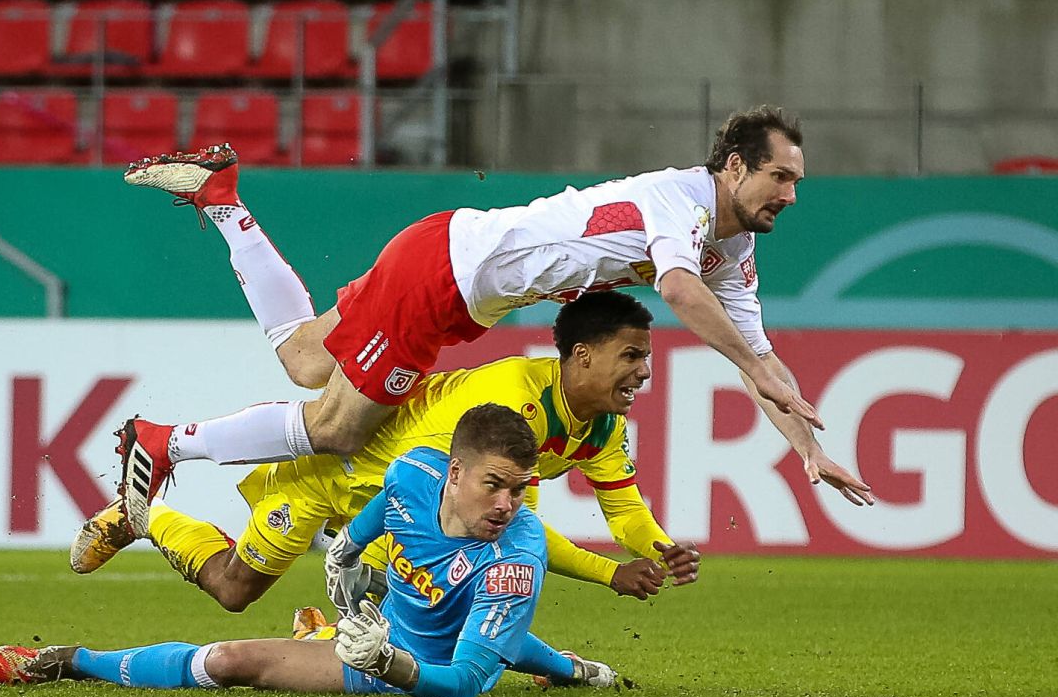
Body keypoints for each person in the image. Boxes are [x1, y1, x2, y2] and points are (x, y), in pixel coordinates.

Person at [116, 105, 841, 532]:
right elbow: (682, 294)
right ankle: (162, 444)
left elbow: (760, 356)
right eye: (781, 177)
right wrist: (751, 369)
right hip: (441, 277)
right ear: (736, 168)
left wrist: (805, 448)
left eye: (799, 183)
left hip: (449, 262)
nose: (792, 195)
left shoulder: (732, 245)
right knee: (337, 427)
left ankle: (223, 199)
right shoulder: (678, 204)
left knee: (308, 357)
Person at [74, 292, 710, 613]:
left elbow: (622, 508)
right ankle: (141, 517)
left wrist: (654, 549)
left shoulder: (598, 426)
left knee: (425, 610)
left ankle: (326, 631)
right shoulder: (508, 401)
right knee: (235, 589)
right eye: (632, 357)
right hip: (339, 479)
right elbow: (470, 506)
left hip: (398, 503)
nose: (644, 374)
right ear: (582, 356)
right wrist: (609, 573)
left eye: (646, 360)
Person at [0, 405, 617, 697]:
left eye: (519, 489)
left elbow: (463, 683)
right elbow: (381, 508)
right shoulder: (413, 473)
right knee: (454, 609)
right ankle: (571, 669)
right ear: (453, 472)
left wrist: (390, 663)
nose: (509, 504)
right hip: (394, 616)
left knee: (237, 660)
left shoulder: (515, 557)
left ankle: (75, 662)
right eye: (494, 485)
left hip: (405, 663)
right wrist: (347, 549)